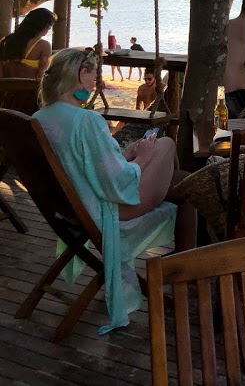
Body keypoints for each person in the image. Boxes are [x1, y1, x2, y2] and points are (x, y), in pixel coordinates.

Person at [33, 47, 196, 333]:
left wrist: (127, 152)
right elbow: (118, 184)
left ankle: (186, 263)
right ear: (80, 75)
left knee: (183, 181)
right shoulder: (87, 121)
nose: (97, 79)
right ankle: (186, 274)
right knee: (168, 148)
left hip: (76, 208)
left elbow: (88, 164)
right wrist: (143, 158)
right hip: (109, 210)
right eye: (94, 72)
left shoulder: (42, 118)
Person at [0, 7, 55, 79]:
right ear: (44, 26)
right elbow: (42, 75)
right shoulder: (43, 45)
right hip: (30, 89)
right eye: (49, 28)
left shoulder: (5, 42)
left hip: (6, 88)